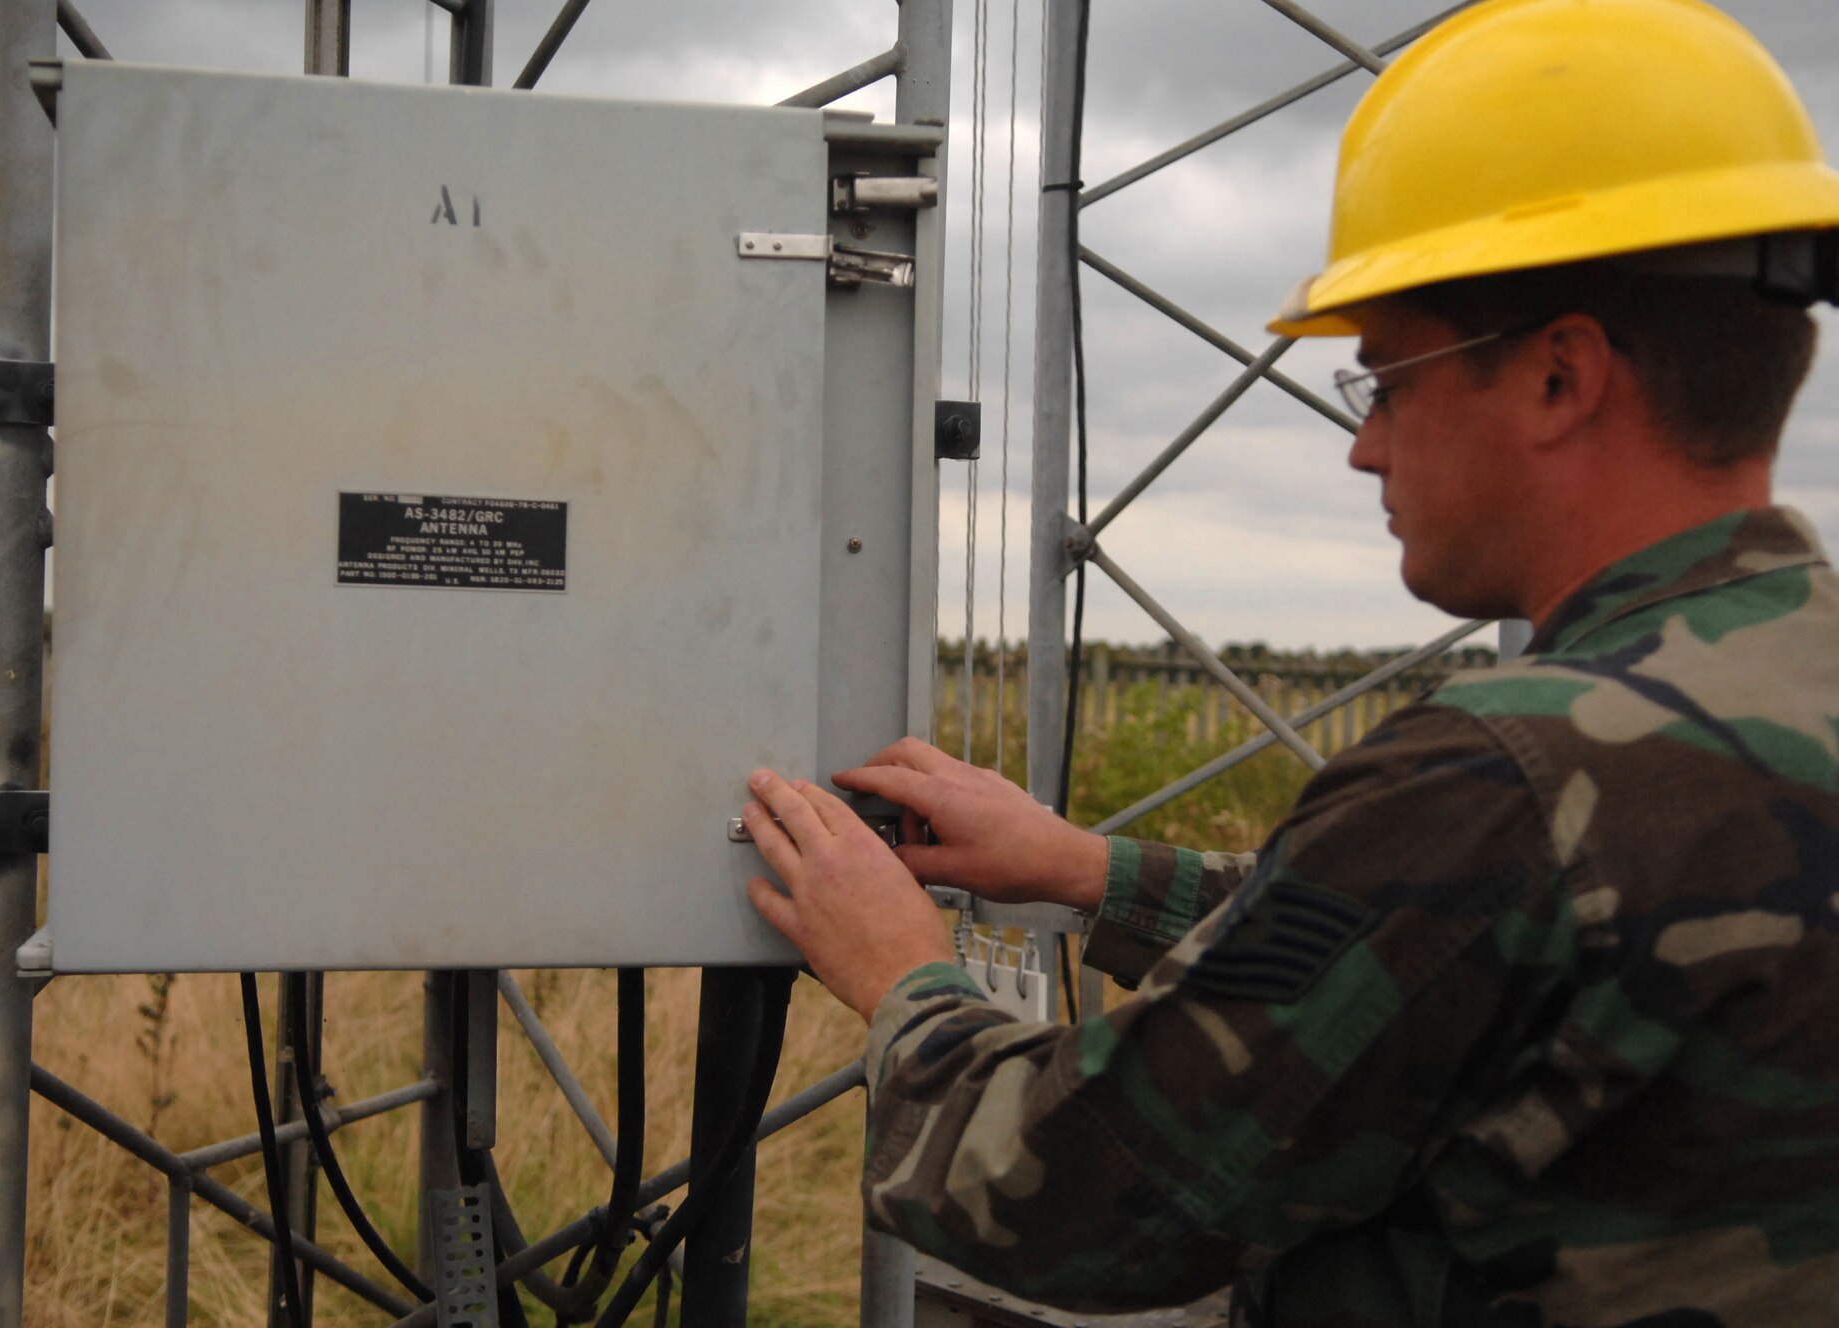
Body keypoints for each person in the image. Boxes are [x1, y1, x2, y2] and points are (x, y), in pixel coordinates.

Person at [737, 1, 1839, 1324]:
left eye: (1385, 383)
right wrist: (1093, 873)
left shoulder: (1501, 781)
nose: (1365, 449)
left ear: (1562, 378)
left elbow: (1063, 1196)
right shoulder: (1737, 713)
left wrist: (903, 972)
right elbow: (1430, 948)